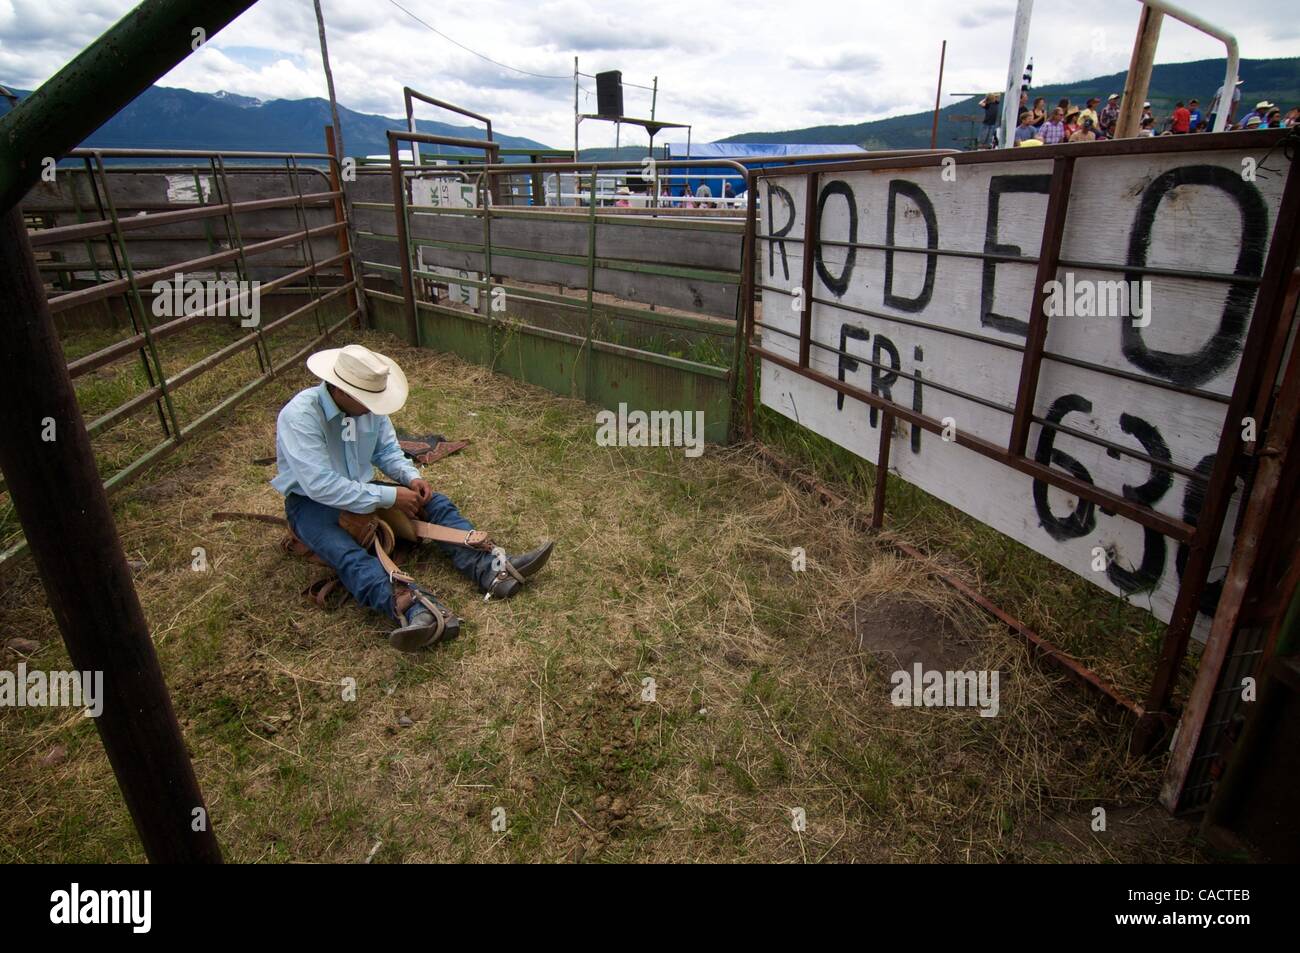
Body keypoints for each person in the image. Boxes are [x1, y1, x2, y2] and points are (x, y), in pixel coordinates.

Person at [273, 345, 554, 650]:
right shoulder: (300, 416)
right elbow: (320, 486)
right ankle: (415, 609)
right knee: (348, 557)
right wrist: (389, 496)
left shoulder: (367, 408)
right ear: (339, 389)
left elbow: (386, 451)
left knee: (434, 503)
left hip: (362, 487)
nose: (373, 407)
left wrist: (411, 478)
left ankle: (490, 567)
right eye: (367, 399)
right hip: (312, 503)